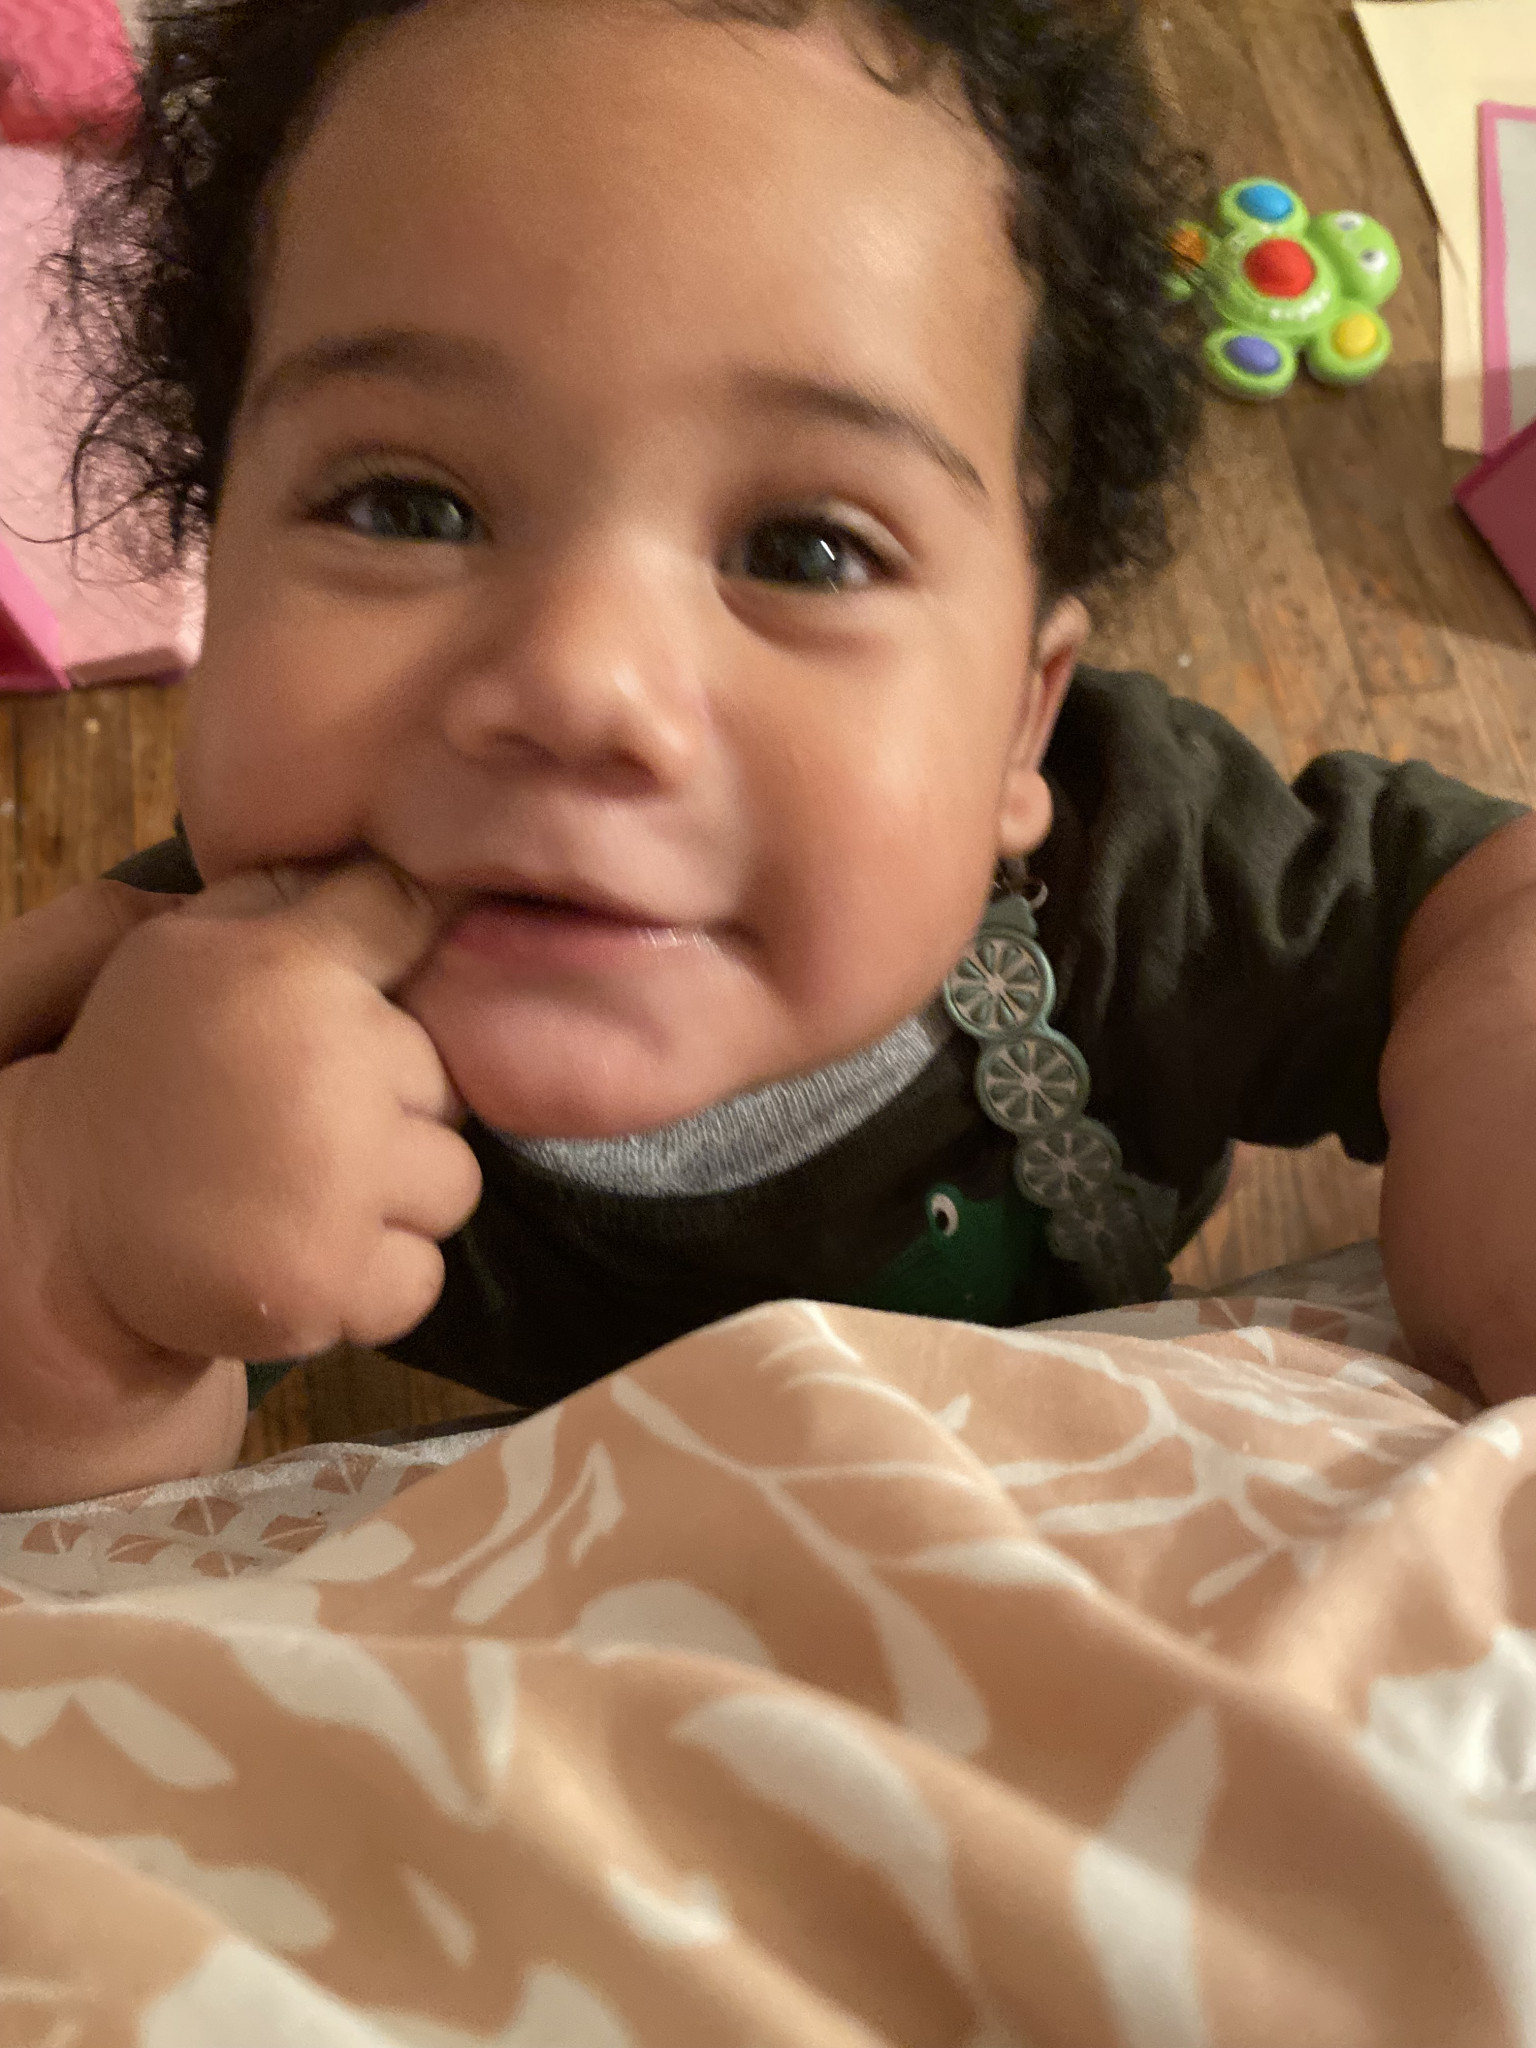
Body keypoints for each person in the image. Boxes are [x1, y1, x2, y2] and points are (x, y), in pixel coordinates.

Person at [0, 0, 1530, 1512]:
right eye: (406, 507)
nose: (581, 681)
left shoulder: (1134, 862)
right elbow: (62, 1552)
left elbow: (1466, 901)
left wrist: (1499, 1041)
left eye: (807, 548)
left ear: (1022, 719)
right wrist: (83, 1272)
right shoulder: (183, 1028)